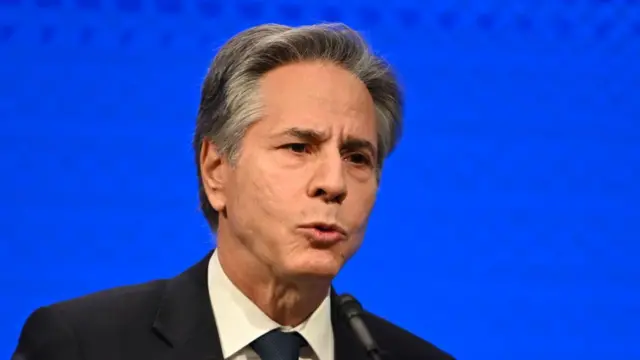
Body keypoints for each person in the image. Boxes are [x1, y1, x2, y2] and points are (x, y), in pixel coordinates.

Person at [13, 23, 455, 360]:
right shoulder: (83, 346)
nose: (334, 184)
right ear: (216, 170)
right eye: (299, 147)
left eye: (357, 157)